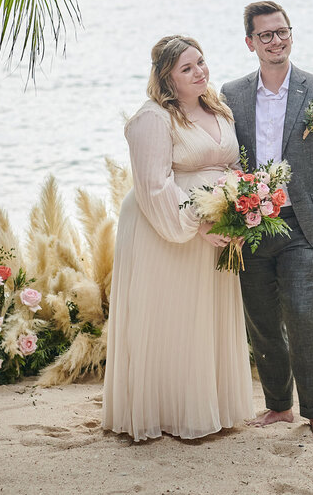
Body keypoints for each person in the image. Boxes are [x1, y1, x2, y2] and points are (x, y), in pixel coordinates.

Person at [102, 35, 253, 441]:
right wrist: (199, 225)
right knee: (171, 317)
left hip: (216, 228)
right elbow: (154, 186)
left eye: (201, 62)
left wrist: (239, 211)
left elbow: (234, 165)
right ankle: (167, 413)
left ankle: (208, 409)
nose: (200, 71)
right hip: (166, 232)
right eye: (187, 68)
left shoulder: (217, 106)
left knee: (202, 318)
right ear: (166, 79)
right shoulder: (153, 118)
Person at [221, 1, 313, 443]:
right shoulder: (232, 94)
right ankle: (279, 405)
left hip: (305, 225)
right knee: (260, 319)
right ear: (250, 43)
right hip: (251, 224)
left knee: (300, 314)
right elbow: (223, 159)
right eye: (266, 35)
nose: (276, 40)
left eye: (283, 32)